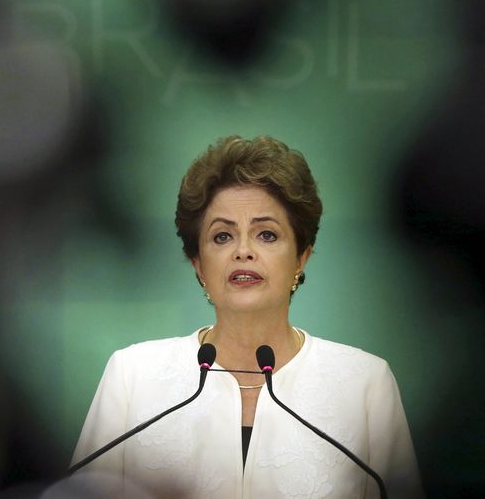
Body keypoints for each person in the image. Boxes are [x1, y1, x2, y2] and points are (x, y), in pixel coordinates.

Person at [68, 136, 424, 498]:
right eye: (222, 236)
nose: (243, 251)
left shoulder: (364, 385)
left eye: (266, 234)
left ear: (301, 258)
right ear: (198, 264)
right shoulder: (132, 377)